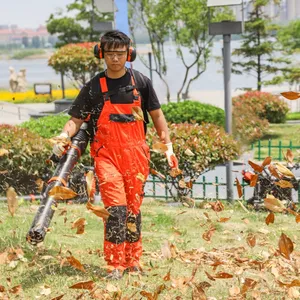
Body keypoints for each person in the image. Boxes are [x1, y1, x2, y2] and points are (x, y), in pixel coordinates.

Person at [51, 30, 178, 280]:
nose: (115, 59)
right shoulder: (93, 87)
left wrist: (168, 145)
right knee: (116, 209)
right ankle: (114, 265)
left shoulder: (141, 82)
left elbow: (157, 116)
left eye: (120, 54)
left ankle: (133, 261)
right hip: (106, 155)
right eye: (110, 54)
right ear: (101, 54)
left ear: (129, 54)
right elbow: (75, 120)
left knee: (133, 209)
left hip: (136, 156)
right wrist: (64, 137)